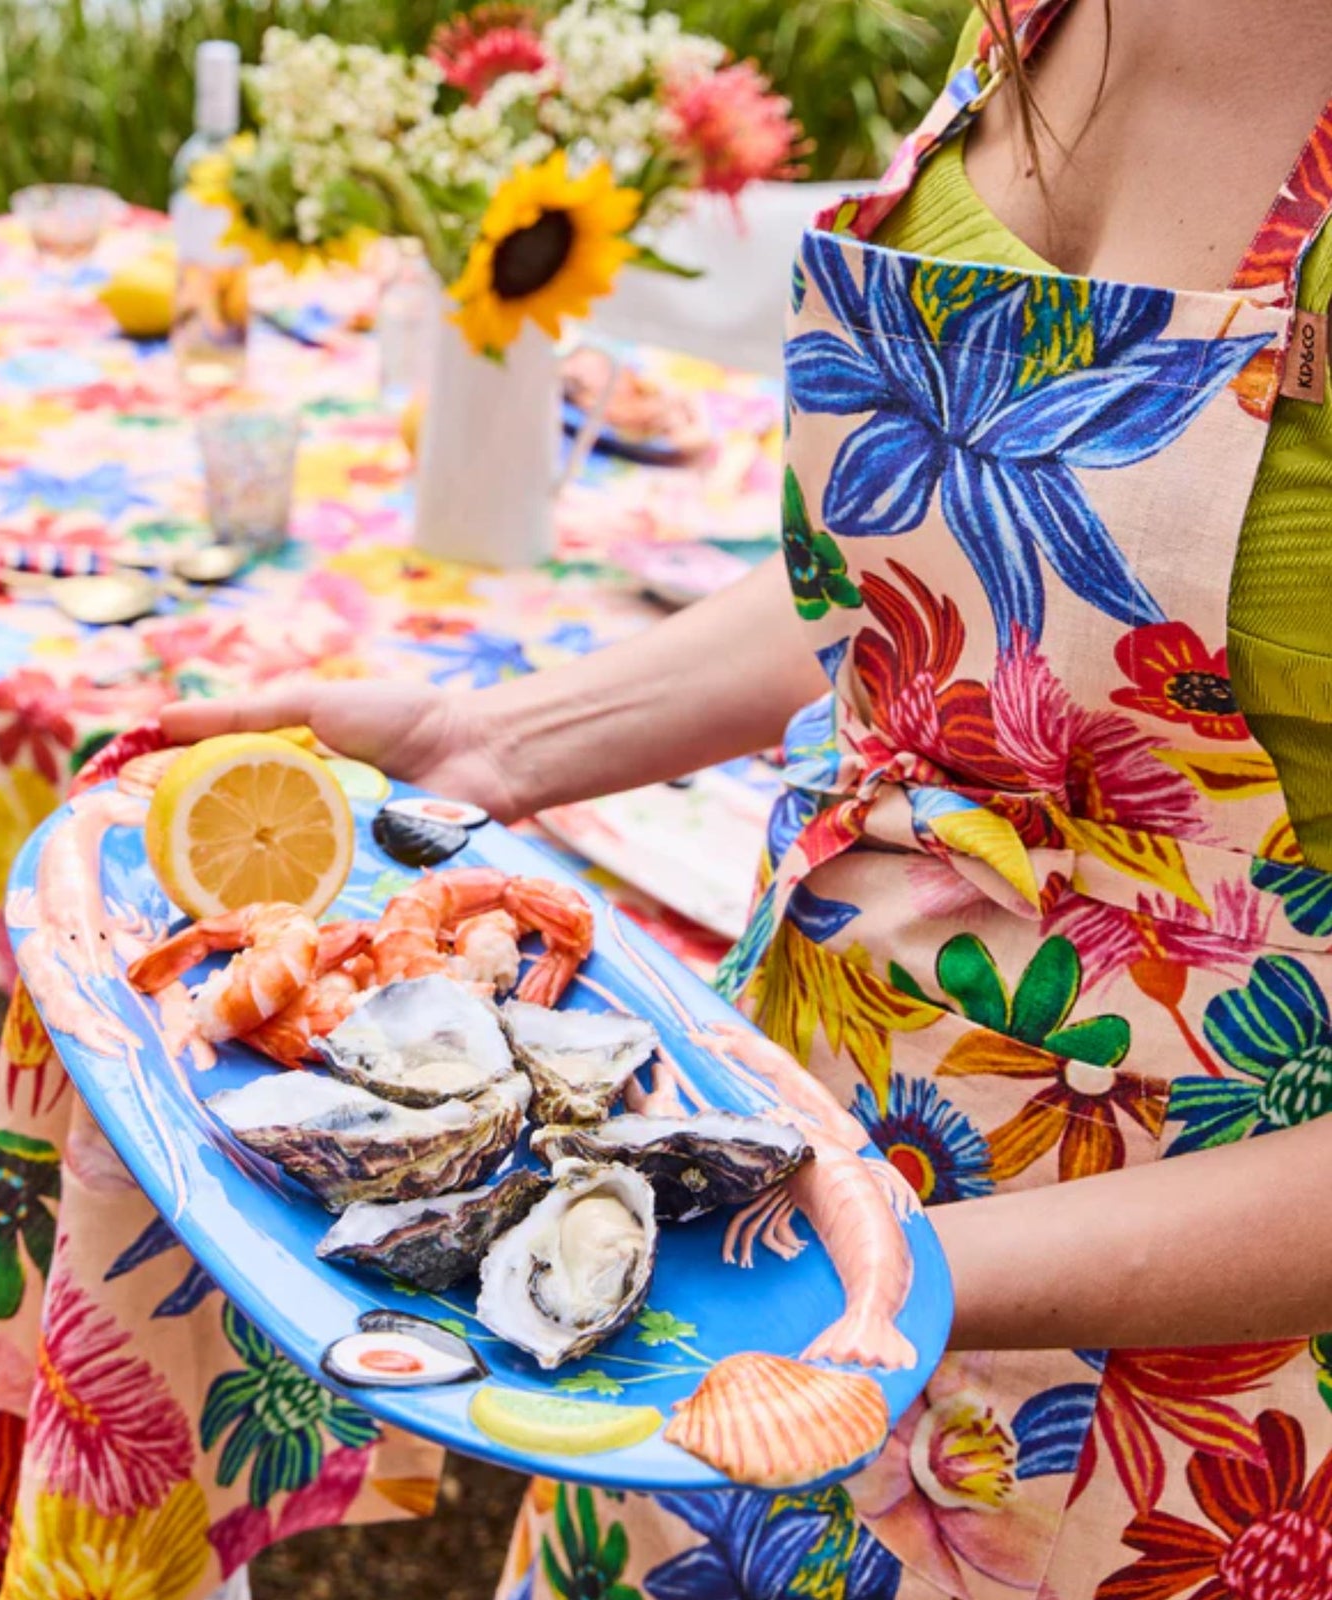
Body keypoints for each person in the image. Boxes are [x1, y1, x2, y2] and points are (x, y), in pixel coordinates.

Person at [162, 0, 1332, 1593]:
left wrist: (886, 1278)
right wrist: (492, 742)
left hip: (1186, 1390)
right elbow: (964, 565)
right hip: (780, 1151)